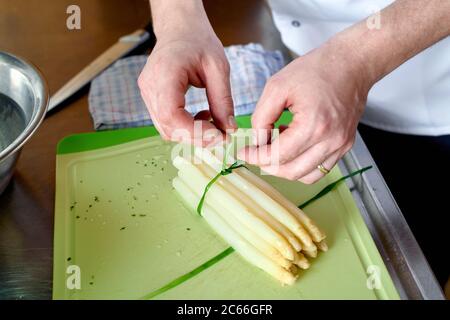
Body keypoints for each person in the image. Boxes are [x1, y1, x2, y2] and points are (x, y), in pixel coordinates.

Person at [138, 0, 450, 292]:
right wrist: (177, 21)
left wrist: (357, 59)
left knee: (415, 267)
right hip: (311, 75)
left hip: (437, 101)